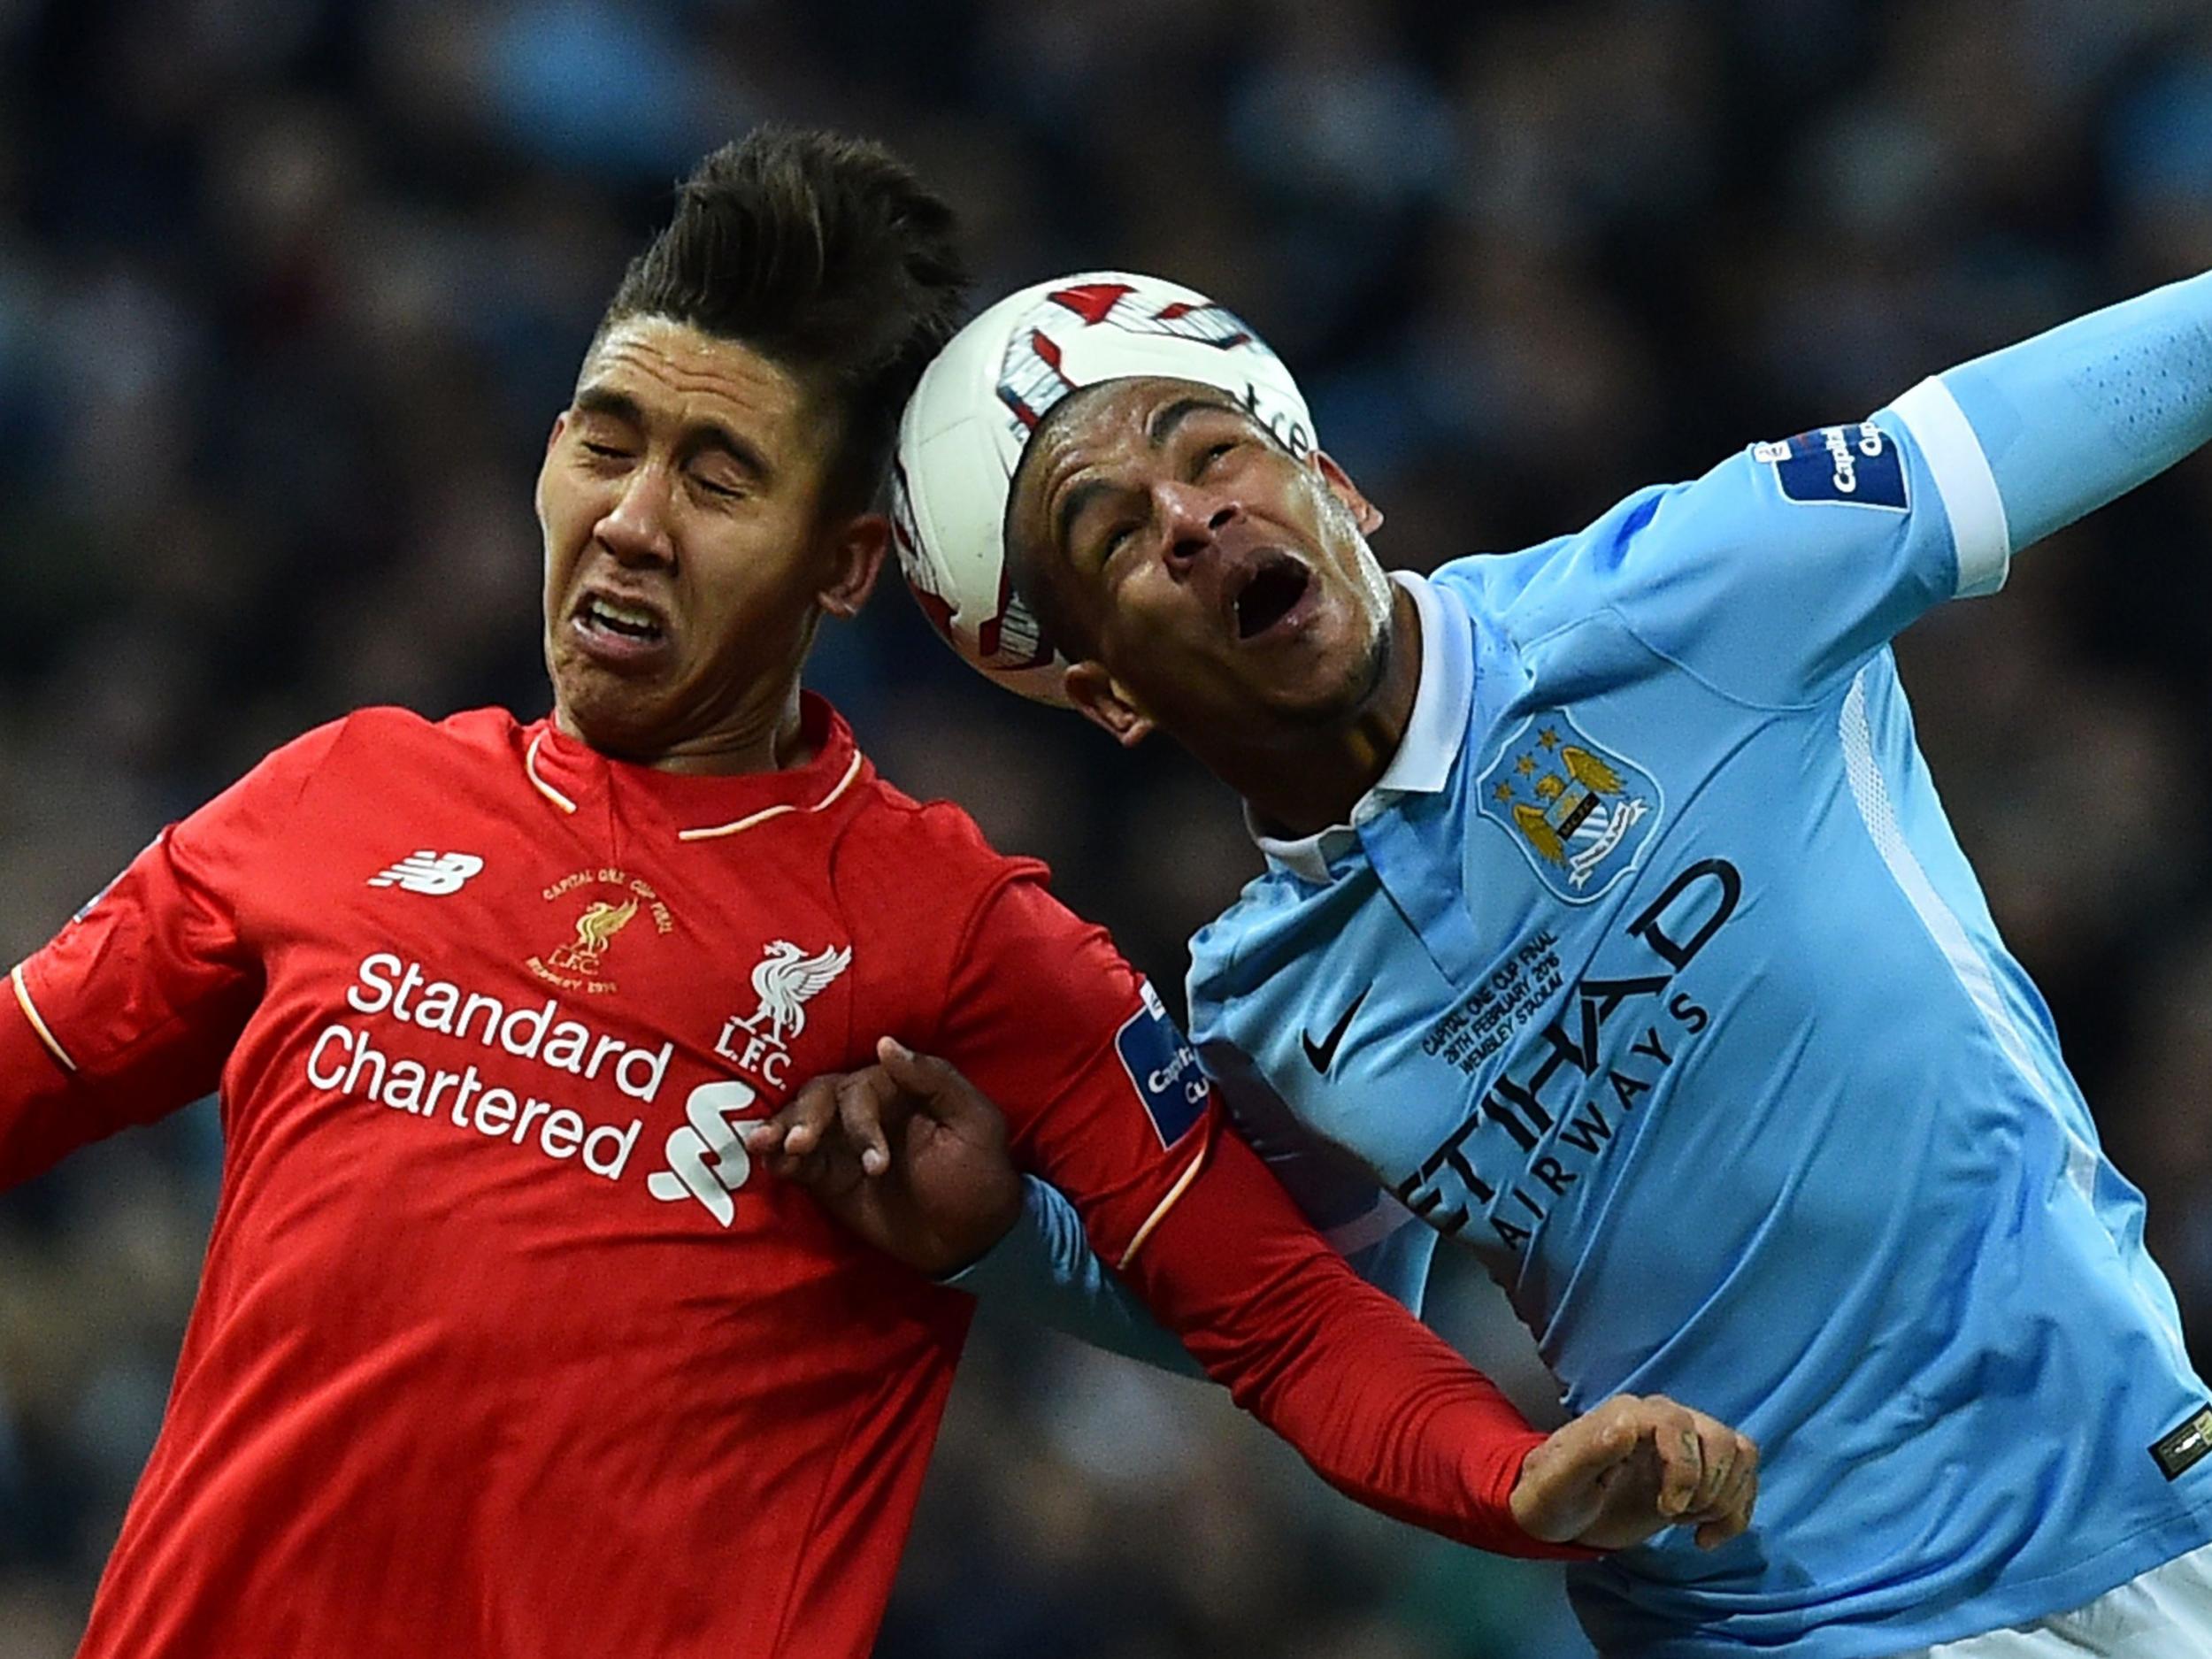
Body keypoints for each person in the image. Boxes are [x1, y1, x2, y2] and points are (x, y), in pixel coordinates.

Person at [0, 139, 1755, 1659]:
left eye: (716, 477)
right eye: (604, 441)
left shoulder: (954, 937)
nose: (626, 519)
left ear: (845, 562)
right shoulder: (334, 799)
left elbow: (1282, 1312)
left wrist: (1513, 1483)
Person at [768, 265, 2212, 1656]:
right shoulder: (1266, 1003)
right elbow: (1297, 1317)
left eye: (1210, 451)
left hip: (2133, 1489)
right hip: (1765, 1612)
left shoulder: (1688, 592)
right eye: (1112, 536)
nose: (1190, 518)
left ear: (1336, 491)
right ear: (1106, 695)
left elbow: (2068, 404)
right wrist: (1000, 1241)